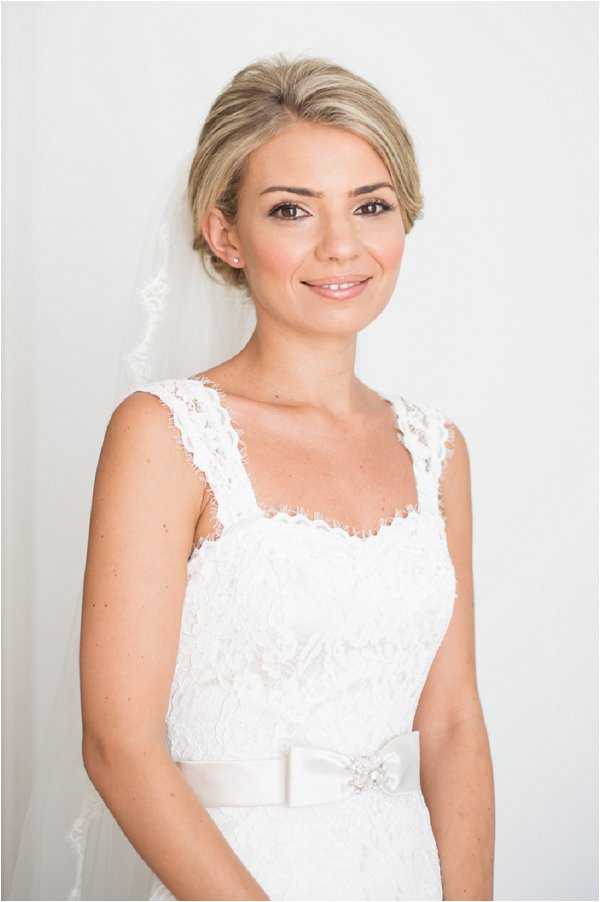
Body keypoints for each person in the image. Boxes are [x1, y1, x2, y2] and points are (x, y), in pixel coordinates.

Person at [79, 54, 495, 901]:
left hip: (402, 873)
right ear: (225, 234)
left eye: (370, 206)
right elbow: (118, 744)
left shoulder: (436, 450)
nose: (341, 245)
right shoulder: (166, 435)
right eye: (292, 210)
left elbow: (452, 723)